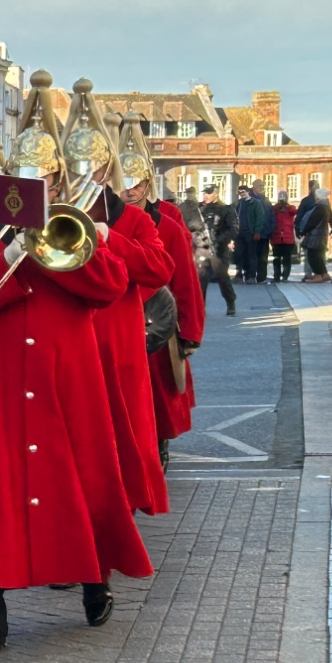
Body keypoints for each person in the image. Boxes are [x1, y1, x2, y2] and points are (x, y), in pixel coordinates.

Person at [0, 72, 152, 657]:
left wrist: (61, 250)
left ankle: (93, 579)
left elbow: (109, 286)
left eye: (45, 179)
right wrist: (10, 250)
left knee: (82, 485)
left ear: (57, 181)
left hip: (68, 386)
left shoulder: (76, 232)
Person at [68, 86, 172, 517]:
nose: (84, 177)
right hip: (70, 346)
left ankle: (116, 516)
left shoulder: (131, 218)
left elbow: (160, 268)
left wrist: (114, 239)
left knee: (119, 436)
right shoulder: (52, 214)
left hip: (116, 343)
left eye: (93, 169)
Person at [128, 144, 201, 463]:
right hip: (117, 319)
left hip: (156, 320)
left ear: (146, 185)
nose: (129, 192)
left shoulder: (168, 225)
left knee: (158, 395)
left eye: (135, 185)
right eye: (124, 185)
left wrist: (190, 331)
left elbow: (185, 282)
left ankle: (158, 447)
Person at [200, 186, 238, 316]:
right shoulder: (202, 210)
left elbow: (233, 228)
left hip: (219, 250)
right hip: (203, 249)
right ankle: (200, 308)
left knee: (222, 277)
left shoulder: (225, 209)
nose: (205, 196)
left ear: (216, 194)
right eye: (204, 193)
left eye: (208, 194)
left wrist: (219, 240)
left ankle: (230, 302)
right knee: (201, 279)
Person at [299, 188, 331, 283]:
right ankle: (324, 274)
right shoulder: (326, 207)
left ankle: (318, 275)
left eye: (316, 195)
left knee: (313, 255)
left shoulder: (319, 208)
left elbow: (312, 222)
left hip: (315, 235)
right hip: (321, 234)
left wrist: (303, 231)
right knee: (318, 255)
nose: (315, 197)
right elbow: (331, 220)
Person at [270, 192, 297, 283]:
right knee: (276, 258)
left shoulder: (290, 208)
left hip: (287, 238)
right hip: (277, 238)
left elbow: (294, 211)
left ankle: (285, 275)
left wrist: (286, 206)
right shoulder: (275, 209)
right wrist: (278, 206)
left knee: (287, 259)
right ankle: (276, 275)